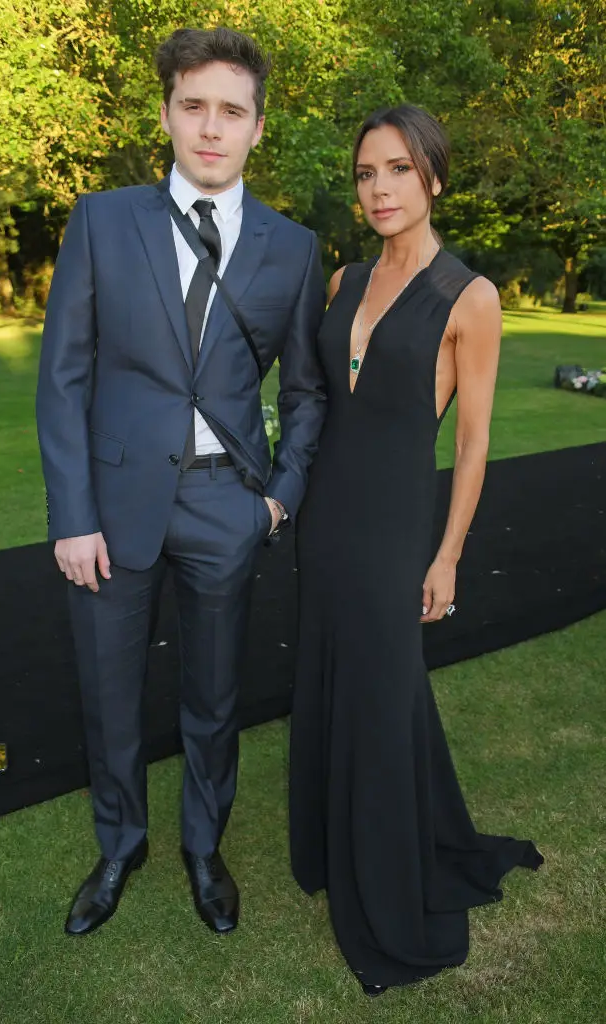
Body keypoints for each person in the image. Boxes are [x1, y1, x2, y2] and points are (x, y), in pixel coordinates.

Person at [36, 26, 326, 938]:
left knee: (213, 698)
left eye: (230, 111)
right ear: (165, 114)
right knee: (109, 695)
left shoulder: (294, 248)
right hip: (111, 509)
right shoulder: (101, 219)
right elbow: (63, 378)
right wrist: (72, 516)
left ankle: (204, 846)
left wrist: (276, 499)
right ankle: (120, 845)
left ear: (257, 128)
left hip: (225, 506)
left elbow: (306, 391)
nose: (210, 127)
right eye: (193, 106)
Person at [288, 104, 543, 996]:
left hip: (394, 528)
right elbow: (322, 399)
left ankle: (387, 888)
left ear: (432, 176)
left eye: (397, 169)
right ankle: (332, 845)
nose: (379, 188)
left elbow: (471, 442)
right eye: (366, 173)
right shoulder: (345, 278)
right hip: (324, 519)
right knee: (333, 679)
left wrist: (446, 556)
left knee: (379, 694)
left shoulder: (470, 296)